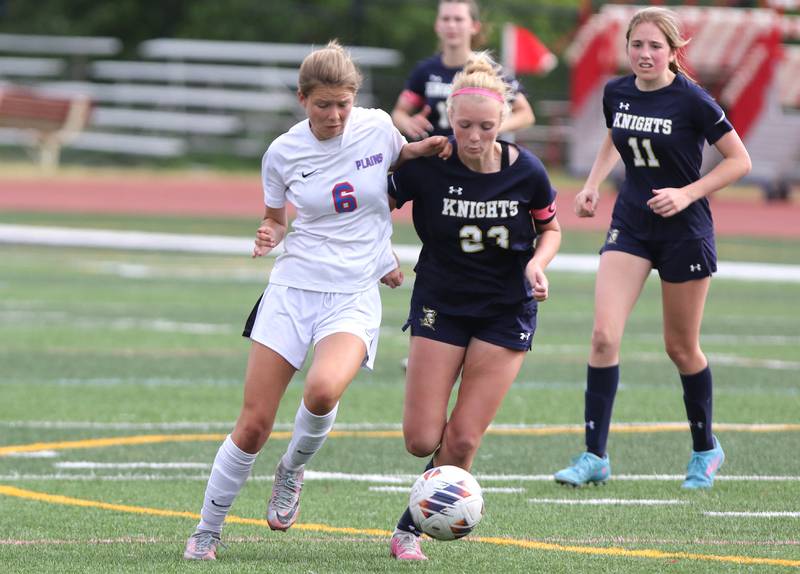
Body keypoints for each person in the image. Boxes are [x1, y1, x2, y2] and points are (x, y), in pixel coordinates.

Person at [182, 40, 447, 561]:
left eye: (343, 103)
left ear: (356, 98)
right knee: (254, 423)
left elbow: (396, 171)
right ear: (303, 99)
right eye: (323, 104)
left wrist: (425, 151)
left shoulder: (375, 125)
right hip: (292, 289)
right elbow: (276, 220)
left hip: (352, 293)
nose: (334, 115)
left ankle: (292, 469)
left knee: (324, 391)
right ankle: (207, 530)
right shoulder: (282, 152)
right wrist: (266, 234)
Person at [553, 7, 751, 490]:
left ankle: (706, 449)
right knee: (603, 336)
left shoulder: (693, 100)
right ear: (627, 48)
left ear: (672, 51)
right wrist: (593, 184)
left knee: (680, 347)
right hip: (632, 224)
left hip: (685, 230)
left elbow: (739, 160)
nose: (644, 54)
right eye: (637, 45)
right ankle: (594, 455)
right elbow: (615, 138)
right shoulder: (616, 92)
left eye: (654, 46)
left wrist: (687, 192)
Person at [386, 51, 562, 561]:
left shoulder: (526, 170)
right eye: (464, 125)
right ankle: (427, 493)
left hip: (506, 309)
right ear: (450, 120)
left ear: (503, 122)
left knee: (461, 442)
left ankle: (407, 530)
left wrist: (538, 264)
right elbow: (373, 198)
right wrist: (382, 253)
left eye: (486, 126)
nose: (475, 136)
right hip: (442, 302)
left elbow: (550, 226)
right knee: (422, 439)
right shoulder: (427, 166)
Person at [391, 0, 534, 141]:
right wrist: (408, 123)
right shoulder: (425, 70)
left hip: (477, 157)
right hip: (434, 157)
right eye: (446, 19)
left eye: (458, 19)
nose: (451, 25)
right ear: (437, 25)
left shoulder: (488, 70)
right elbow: (399, 113)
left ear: (474, 26)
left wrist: (493, 127)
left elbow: (526, 114)